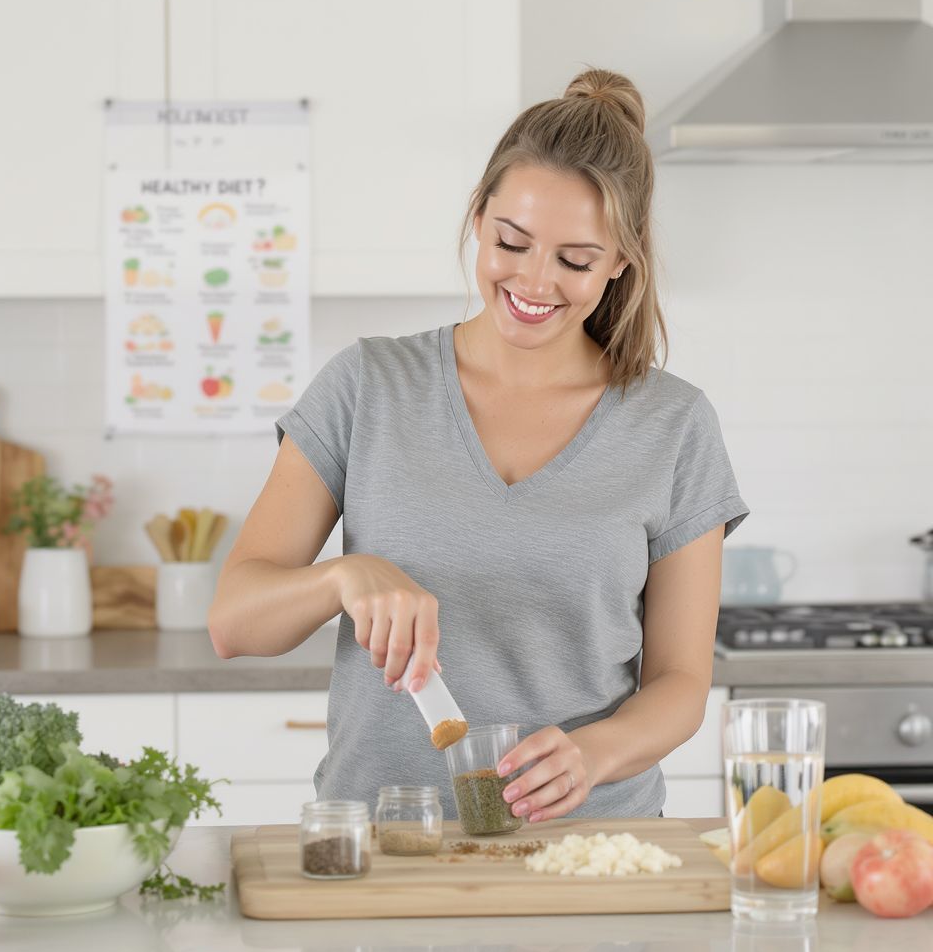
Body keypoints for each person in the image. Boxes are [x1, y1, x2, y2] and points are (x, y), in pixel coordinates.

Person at [209, 67, 749, 823]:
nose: (534, 280)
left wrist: (595, 753)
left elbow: (681, 683)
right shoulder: (369, 385)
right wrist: (344, 577)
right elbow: (234, 621)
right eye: (512, 242)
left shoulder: (673, 425)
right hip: (386, 845)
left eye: (575, 259)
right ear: (478, 218)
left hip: (588, 853)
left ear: (621, 262)